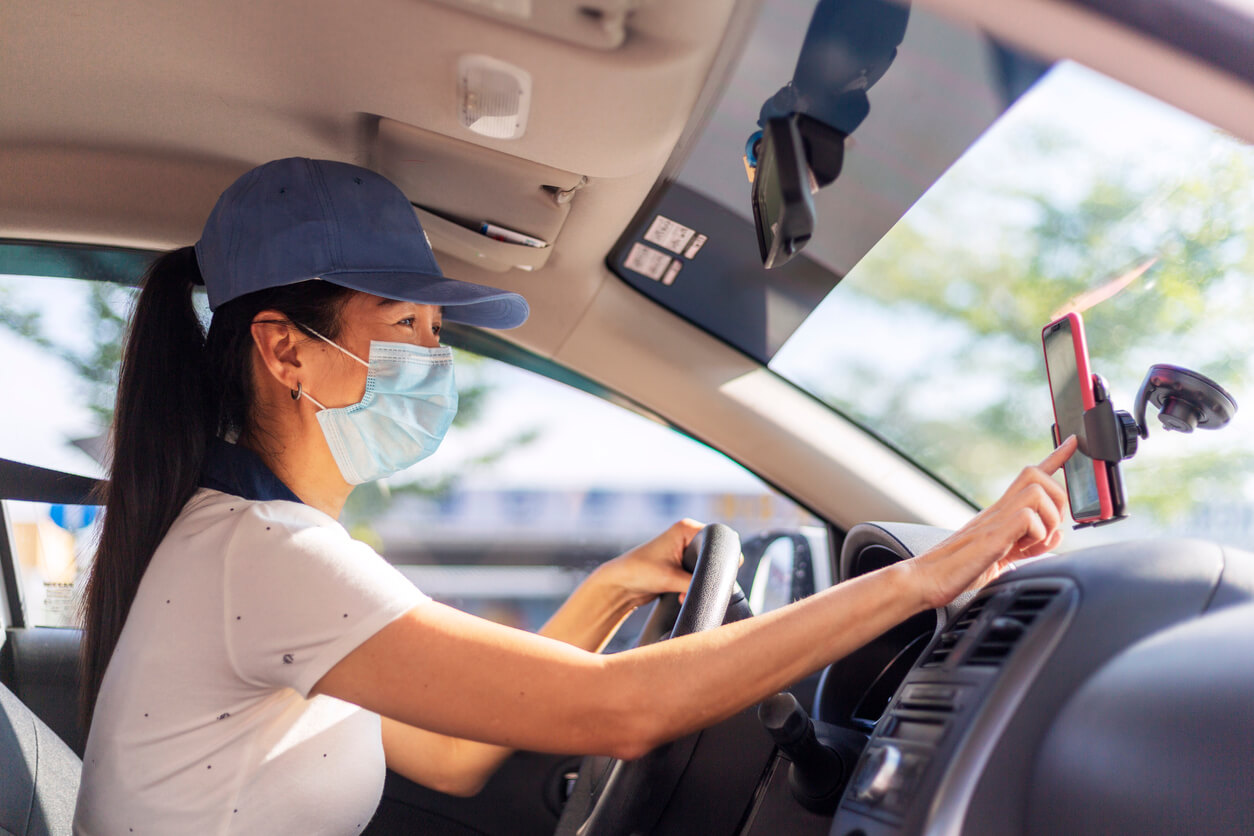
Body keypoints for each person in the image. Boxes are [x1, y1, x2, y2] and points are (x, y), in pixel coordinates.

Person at [72, 157, 1076, 834]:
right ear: (287, 347)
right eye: (411, 323)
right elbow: (622, 711)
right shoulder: (269, 554)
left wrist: (607, 591)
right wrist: (927, 576)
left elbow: (456, 754)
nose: (436, 355)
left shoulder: (255, 542)